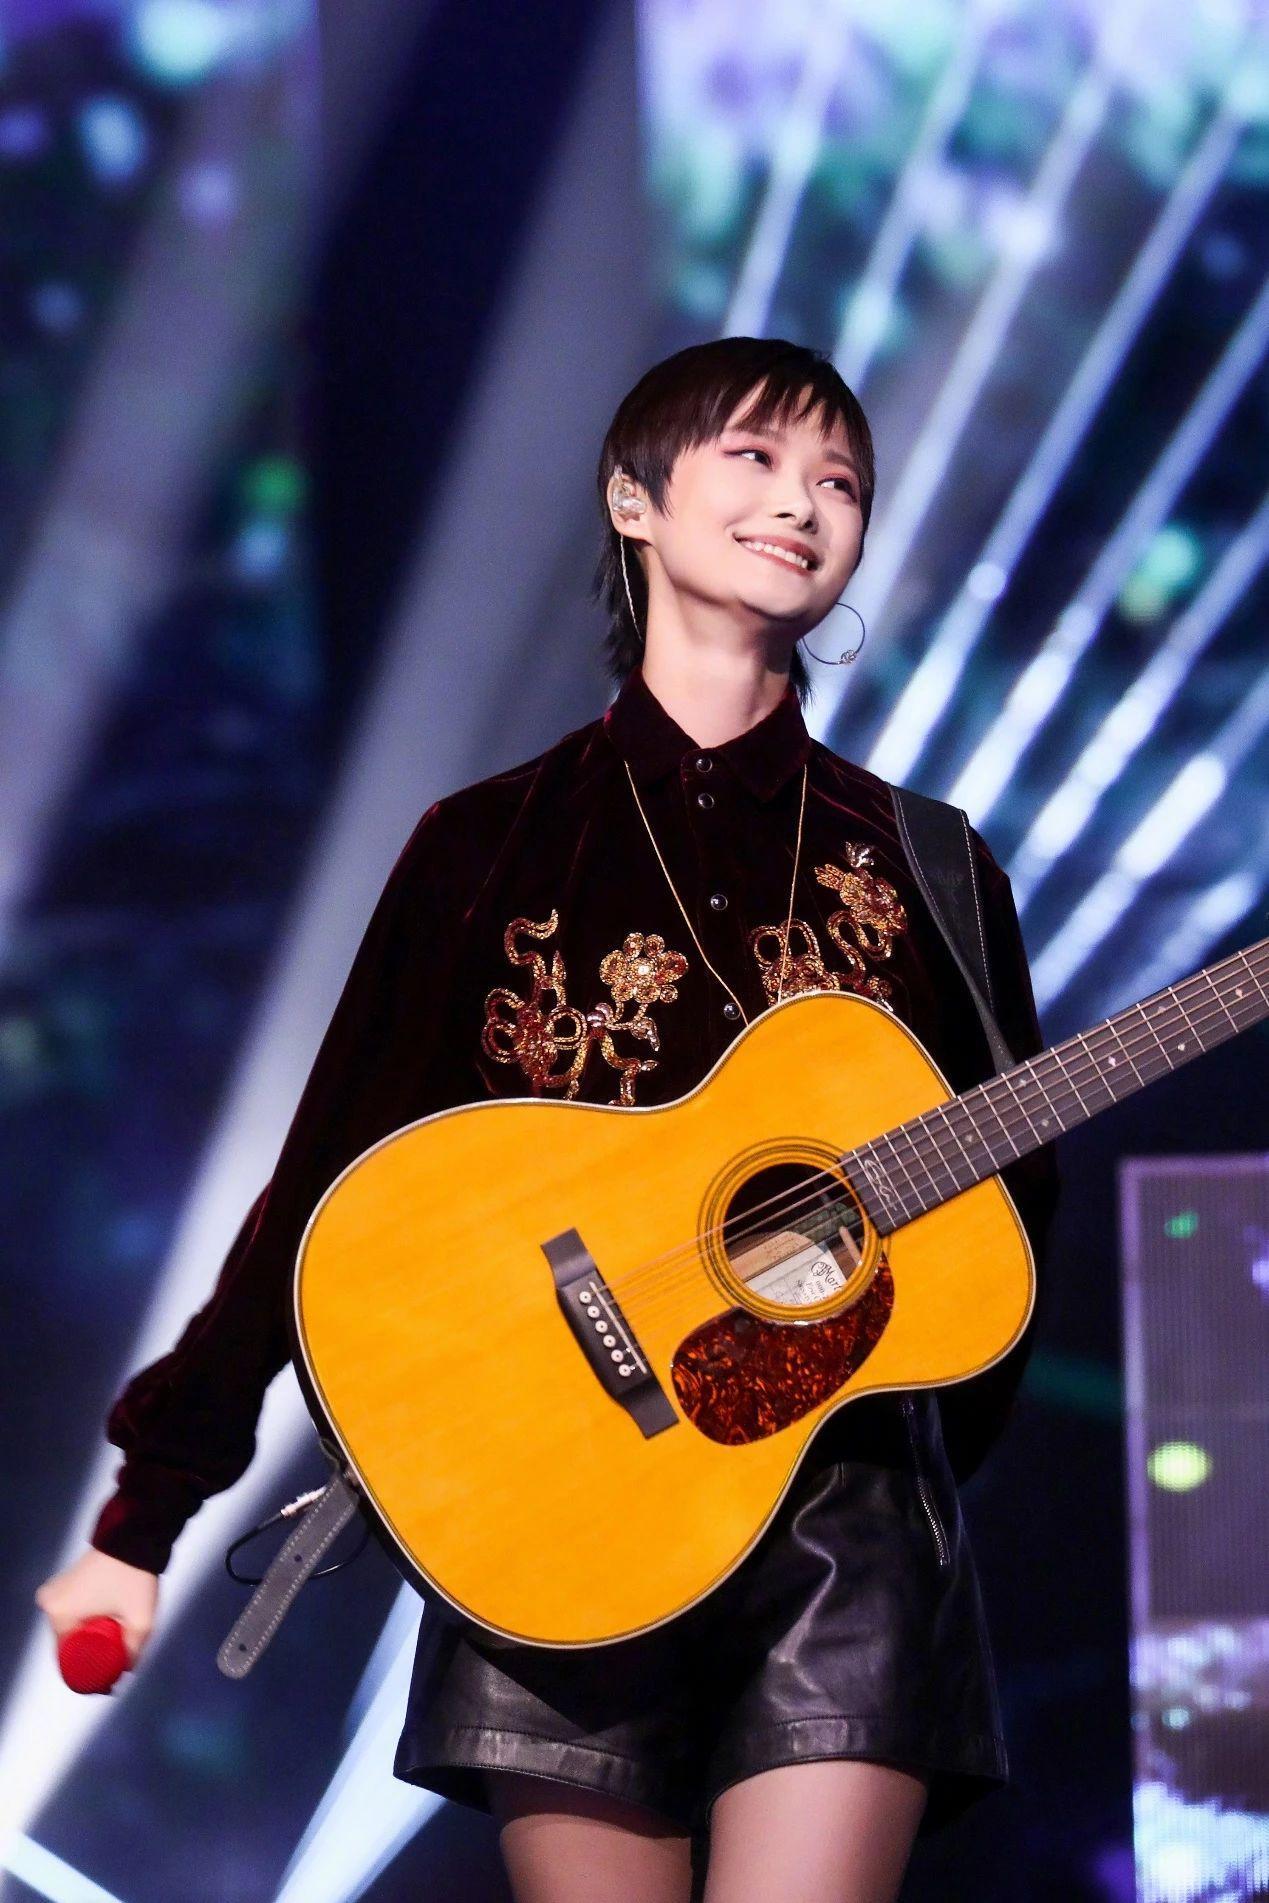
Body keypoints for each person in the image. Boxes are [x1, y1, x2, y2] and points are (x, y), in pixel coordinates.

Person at [36, 336, 1060, 1903]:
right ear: (632, 499)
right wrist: (143, 1519)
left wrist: (855, 1376)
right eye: (756, 459)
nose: (803, 504)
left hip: (842, 1519)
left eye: (841, 482)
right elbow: (321, 1187)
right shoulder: (489, 843)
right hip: (556, 1501)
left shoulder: (928, 865)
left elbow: (1012, 1206)